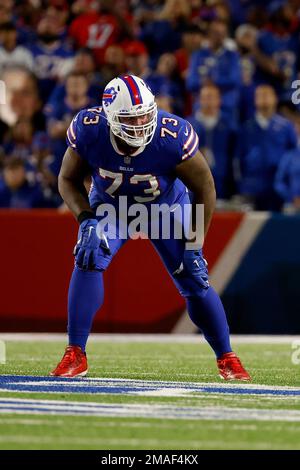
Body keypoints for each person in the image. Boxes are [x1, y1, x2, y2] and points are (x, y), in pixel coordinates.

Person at [50, 74, 250, 381]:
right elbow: (67, 179)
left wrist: (195, 244)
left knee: (194, 277)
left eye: (146, 113)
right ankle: (76, 353)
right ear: (112, 118)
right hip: (111, 207)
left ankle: (227, 357)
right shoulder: (90, 130)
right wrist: (86, 219)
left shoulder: (171, 136)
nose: (142, 122)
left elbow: (205, 186)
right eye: (133, 117)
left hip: (164, 208)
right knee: (88, 255)